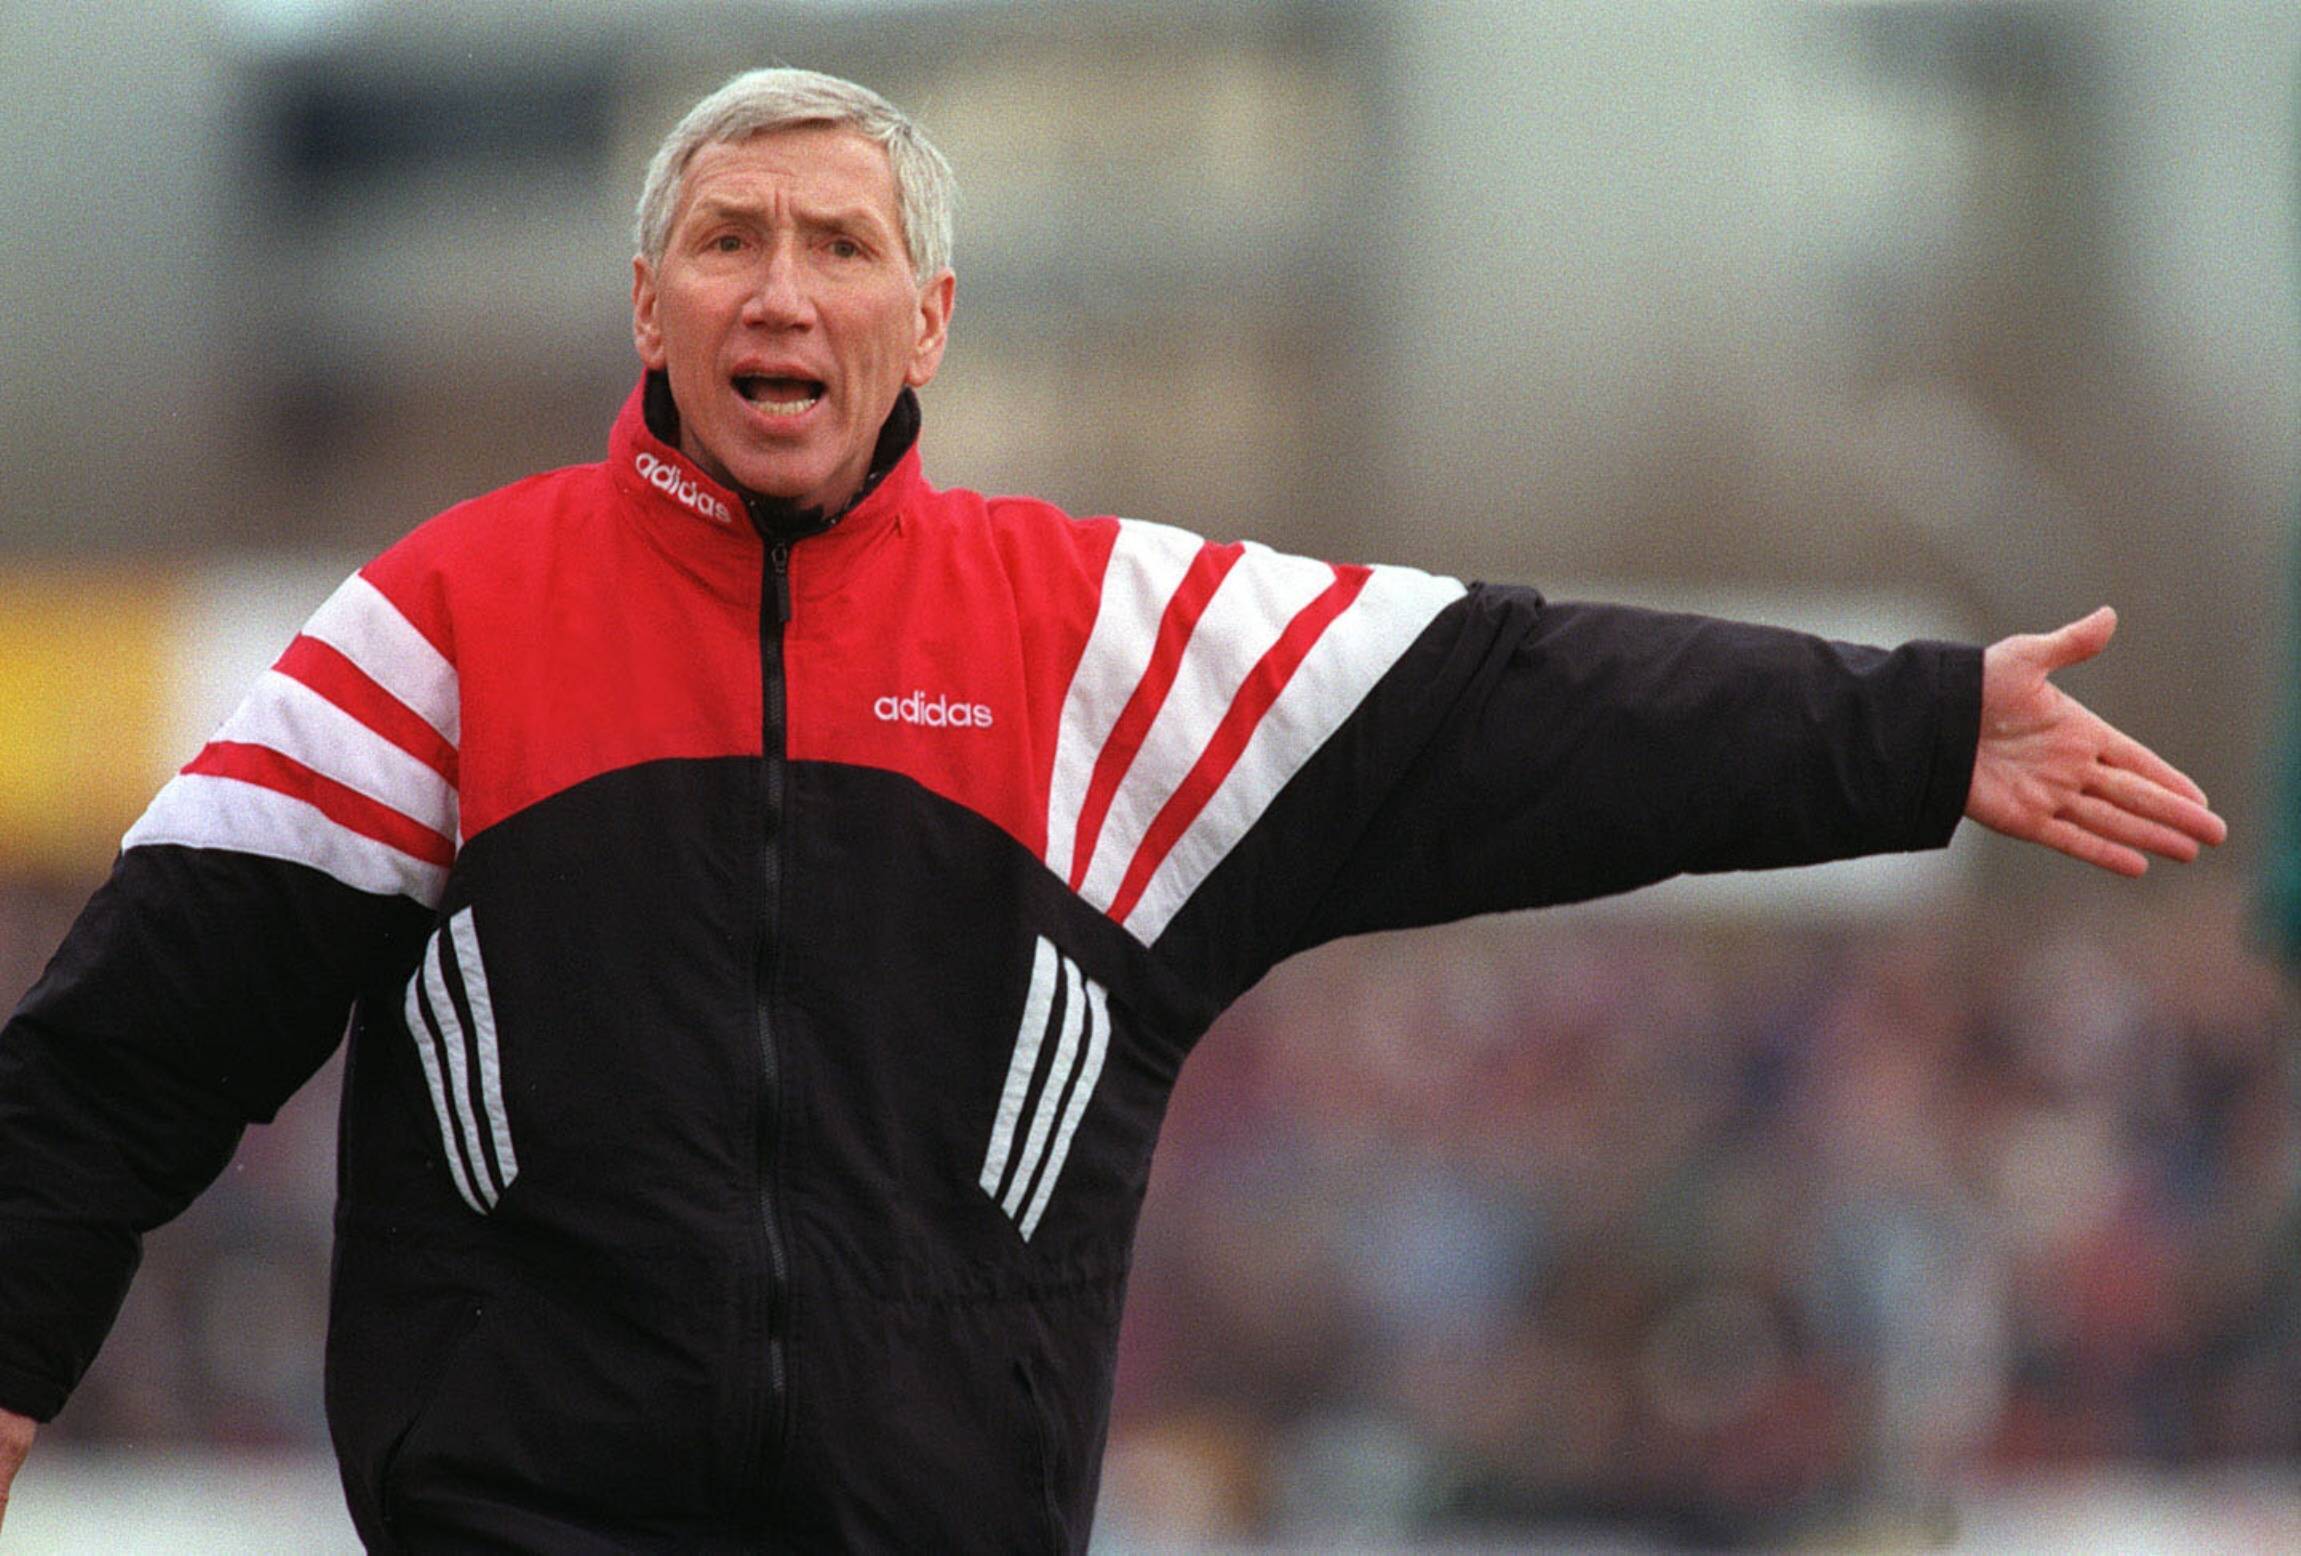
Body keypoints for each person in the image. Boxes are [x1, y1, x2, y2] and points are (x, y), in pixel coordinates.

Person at [0, 67, 2224, 1553]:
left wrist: (1921, 728)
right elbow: (107, 1068)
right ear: (649, 304)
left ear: (930, 317)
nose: (785, 288)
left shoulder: (1103, 643)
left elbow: (1525, 701)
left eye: (843, 246)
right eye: (731, 240)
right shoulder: (445, 626)